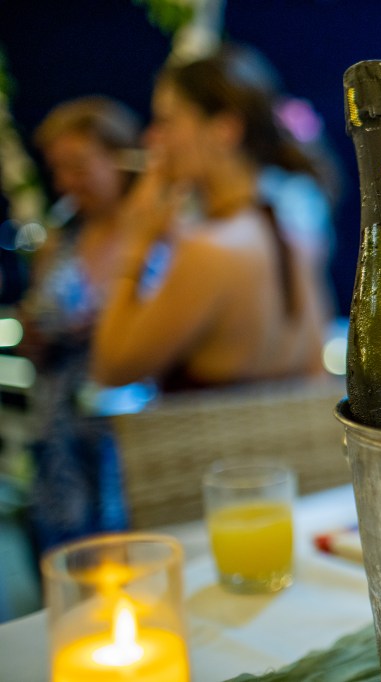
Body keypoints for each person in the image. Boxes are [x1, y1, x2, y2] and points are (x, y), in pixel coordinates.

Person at [90, 45, 328, 390]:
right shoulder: (294, 235)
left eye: (166, 121)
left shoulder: (209, 250)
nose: (152, 138)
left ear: (224, 130)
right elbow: (313, 369)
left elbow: (110, 369)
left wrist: (135, 243)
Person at [18, 96, 142, 552]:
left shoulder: (153, 234)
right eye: (58, 169)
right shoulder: (58, 242)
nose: (67, 182)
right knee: (65, 551)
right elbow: (38, 313)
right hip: (59, 427)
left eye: (78, 165)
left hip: (128, 424)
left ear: (119, 156)